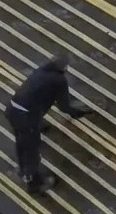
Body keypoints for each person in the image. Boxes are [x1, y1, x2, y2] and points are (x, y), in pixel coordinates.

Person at [5, 54, 93, 195]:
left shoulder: (40, 71)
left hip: (12, 109)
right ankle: (33, 183)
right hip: (26, 118)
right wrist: (80, 112)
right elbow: (64, 107)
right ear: (64, 67)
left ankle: (23, 170)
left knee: (21, 142)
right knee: (31, 149)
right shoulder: (59, 80)